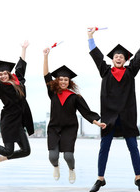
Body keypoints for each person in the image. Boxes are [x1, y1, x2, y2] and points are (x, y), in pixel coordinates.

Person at [87, 28, 140, 192]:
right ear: (113, 59)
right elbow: (96, 56)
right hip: (109, 117)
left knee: (133, 147)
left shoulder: (130, 72)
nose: (118, 58)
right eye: (116, 56)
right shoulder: (105, 71)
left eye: (121, 56)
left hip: (127, 116)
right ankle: (100, 179)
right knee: (104, 147)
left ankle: (138, 178)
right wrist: (90, 37)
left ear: (125, 59)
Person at [43, 48, 106, 184]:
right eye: (61, 79)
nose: (63, 82)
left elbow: (86, 112)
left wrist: (97, 123)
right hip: (54, 128)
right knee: (52, 156)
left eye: (66, 80)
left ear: (69, 81)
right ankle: (56, 167)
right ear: (57, 81)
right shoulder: (52, 93)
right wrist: (46, 56)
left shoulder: (75, 97)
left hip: (69, 129)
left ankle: (71, 169)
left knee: (68, 156)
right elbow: (46, 75)